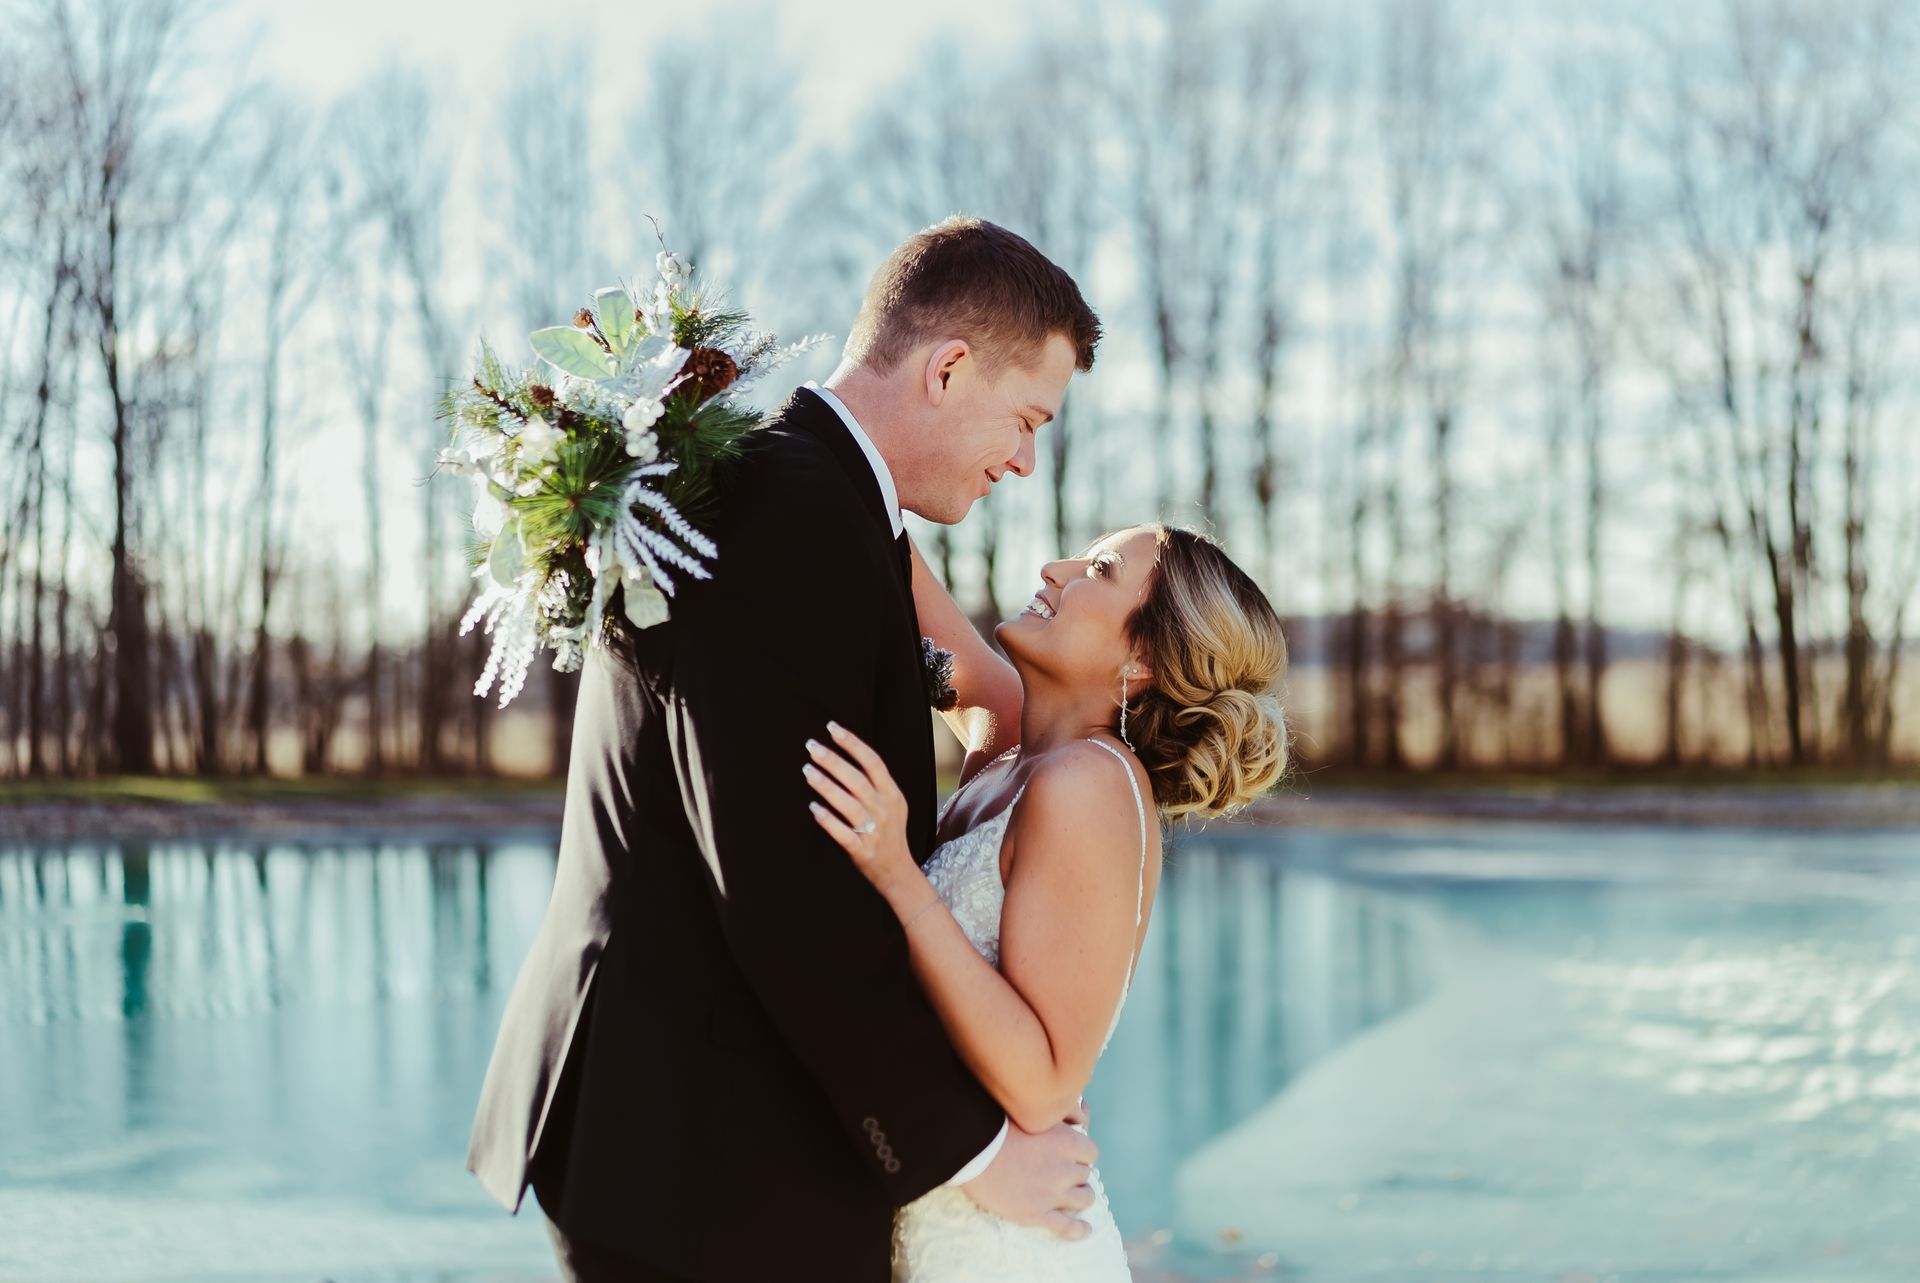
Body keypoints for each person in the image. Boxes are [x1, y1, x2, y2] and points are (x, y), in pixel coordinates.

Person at [466, 216, 1106, 1282]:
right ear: (949, 369)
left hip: (702, 1131)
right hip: (697, 1150)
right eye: (1027, 418)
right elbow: (784, 885)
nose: (1026, 463)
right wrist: (972, 1151)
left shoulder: (828, 508)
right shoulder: (789, 512)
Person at [807, 524, 1290, 1280]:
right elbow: (888, 547)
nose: (1052, 567)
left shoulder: (1094, 784)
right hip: (935, 1224)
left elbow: (1045, 1083)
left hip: (1007, 1251)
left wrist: (896, 873)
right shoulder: (1008, 743)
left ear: (1142, 660)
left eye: (1098, 569)